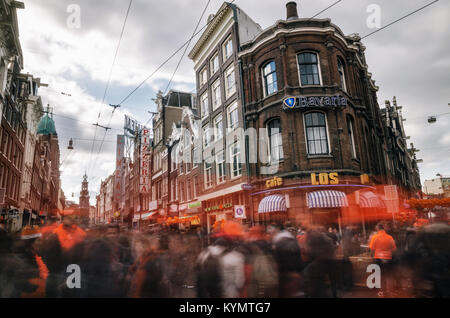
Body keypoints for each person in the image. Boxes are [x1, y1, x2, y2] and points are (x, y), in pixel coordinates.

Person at [196, 221, 245, 298]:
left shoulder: (206, 252)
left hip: (209, 294)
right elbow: (239, 283)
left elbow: (198, 270)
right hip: (229, 294)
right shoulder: (237, 257)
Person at [369, 223, 397, 297]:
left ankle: (382, 292)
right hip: (388, 258)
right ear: (383, 229)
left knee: (380, 275)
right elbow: (394, 248)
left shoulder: (375, 237)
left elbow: (372, 248)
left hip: (378, 258)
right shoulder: (390, 237)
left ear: (378, 229)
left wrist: (371, 256)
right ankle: (390, 291)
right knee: (389, 275)